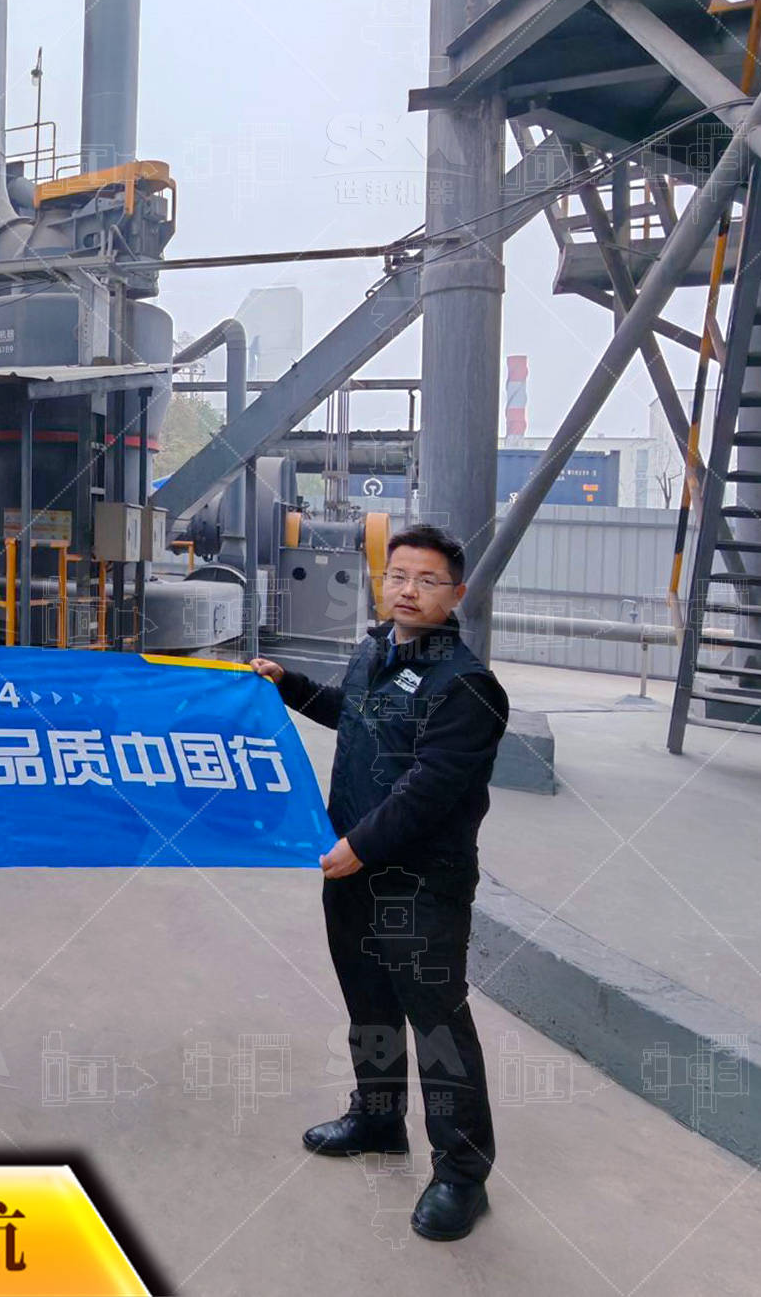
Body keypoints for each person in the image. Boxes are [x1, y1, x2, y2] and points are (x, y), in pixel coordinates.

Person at [249, 522, 509, 1243]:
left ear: (456, 594)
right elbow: (353, 716)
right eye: (398, 576)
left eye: (428, 580)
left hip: (419, 884)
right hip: (353, 871)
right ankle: (378, 1117)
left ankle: (462, 1173)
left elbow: (431, 789)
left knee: (437, 1024)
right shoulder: (375, 651)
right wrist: (290, 687)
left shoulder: (468, 687)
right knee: (368, 1003)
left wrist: (360, 846)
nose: (408, 590)